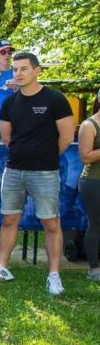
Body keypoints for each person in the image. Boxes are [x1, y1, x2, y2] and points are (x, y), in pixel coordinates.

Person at [0, 52, 74, 295]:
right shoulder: (9, 103)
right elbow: (7, 138)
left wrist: (45, 156)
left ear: (37, 71)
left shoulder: (55, 99)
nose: (18, 73)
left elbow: (67, 137)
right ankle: (1, 267)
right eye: (15, 69)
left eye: (24, 68)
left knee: (51, 223)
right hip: (13, 170)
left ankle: (54, 275)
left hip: (45, 172)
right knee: (9, 219)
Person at [78, 92, 100, 280]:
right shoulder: (89, 125)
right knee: (96, 224)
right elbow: (85, 157)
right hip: (93, 182)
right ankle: (94, 269)